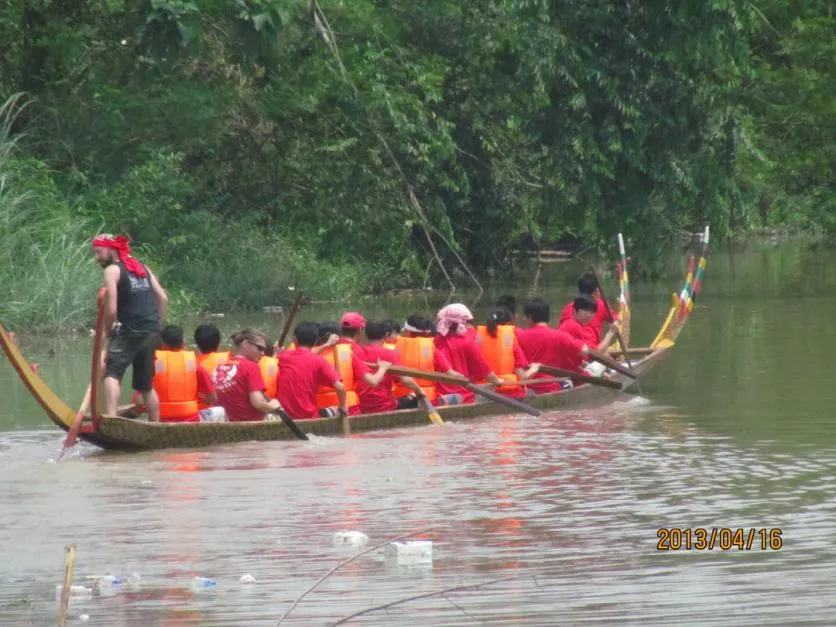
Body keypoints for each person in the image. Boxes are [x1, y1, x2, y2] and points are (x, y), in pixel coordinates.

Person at [92, 233, 168, 422]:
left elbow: (111, 307)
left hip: (129, 330)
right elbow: (163, 299)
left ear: (111, 249)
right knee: (146, 386)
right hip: (151, 330)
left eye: (99, 252)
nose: (97, 257)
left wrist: (109, 330)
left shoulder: (112, 270)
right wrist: (156, 324)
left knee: (111, 374)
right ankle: (155, 425)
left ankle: (112, 420)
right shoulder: (142, 267)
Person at [433, 304, 504, 405]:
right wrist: (497, 381)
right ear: (463, 323)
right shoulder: (467, 343)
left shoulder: (435, 340)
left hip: (438, 395)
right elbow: (485, 371)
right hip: (464, 396)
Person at [518, 298, 591, 393]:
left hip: (528, 388)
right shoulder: (560, 336)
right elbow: (584, 352)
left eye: (526, 317)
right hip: (552, 387)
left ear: (530, 317)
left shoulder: (519, 338)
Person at [277, 322, 347, 420]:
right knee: (335, 409)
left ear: (295, 340)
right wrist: (342, 406)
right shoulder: (319, 360)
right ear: (315, 341)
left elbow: (304, 354)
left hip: (285, 416)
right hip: (309, 416)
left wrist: (277, 352)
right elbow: (340, 387)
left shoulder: (283, 357)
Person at [212, 329, 282, 421]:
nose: (263, 353)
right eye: (260, 348)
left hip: (227, 423)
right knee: (280, 414)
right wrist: (272, 406)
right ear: (245, 344)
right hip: (250, 423)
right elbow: (258, 404)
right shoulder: (251, 367)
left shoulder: (219, 367)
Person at [357, 320, 425, 414]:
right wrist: (419, 390)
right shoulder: (390, 354)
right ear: (386, 334)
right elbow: (406, 380)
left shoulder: (355, 353)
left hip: (361, 406)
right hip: (385, 406)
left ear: (365, 334)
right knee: (414, 398)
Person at [153, 325, 217, 423]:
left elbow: (139, 401)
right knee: (221, 411)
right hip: (191, 420)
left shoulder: (152, 365)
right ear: (183, 343)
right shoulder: (194, 364)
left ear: (162, 345)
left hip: (161, 419)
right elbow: (213, 398)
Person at [476, 307, 540, 398]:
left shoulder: (477, 337)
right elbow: (523, 378)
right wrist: (534, 369)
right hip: (508, 392)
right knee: (532, 394)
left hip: (482, 392)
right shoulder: (509, 339)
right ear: (508, 324)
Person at [391, 314, 453, 401]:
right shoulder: (433, 349)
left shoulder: (393, 347)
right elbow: (450, 373)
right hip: (428, 398)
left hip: (402, 398)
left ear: (408, 331)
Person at [558, 272, 617, 344]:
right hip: (590, 350)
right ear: (597, 291)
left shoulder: (567, 307)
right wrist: (612, 330)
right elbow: (615, 319)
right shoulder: (600, 304)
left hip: (572, 347)